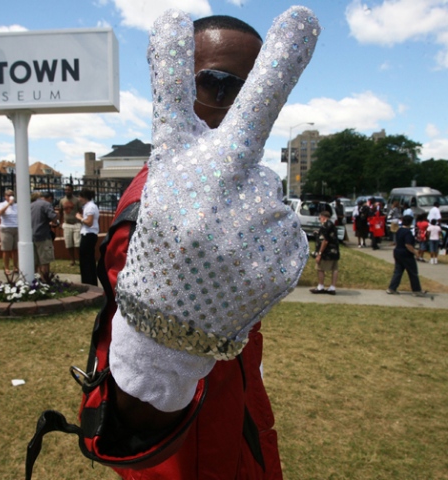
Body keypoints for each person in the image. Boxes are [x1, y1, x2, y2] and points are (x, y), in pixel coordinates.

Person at [65, 9, 319, 480]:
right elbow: (137, 405)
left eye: (252, 89)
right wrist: (163, 349)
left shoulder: (238, 199)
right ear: (178, 84)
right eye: (216, 82)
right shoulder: (157, 205)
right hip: (191, 453)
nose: (235, 106)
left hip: (234, 423)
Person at [386, 215, 427, 296]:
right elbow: (408, 244)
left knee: (398, 271)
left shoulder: (399, 230)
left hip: (397, 252)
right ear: (410, 222)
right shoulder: (408, 232)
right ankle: (416, 290)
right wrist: (416, 253)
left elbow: (397, 241)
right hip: (406, 254)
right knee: (413, 272)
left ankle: (392, 288)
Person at [310, 211, 340, 295]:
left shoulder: (324, 226)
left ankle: (320, 286)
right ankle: (332, 287)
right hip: (335, 251)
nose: (320, 220)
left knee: (320, 268)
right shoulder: (332, 225)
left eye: (320, 218)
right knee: (334, 269)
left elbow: (325, 241)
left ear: (323, 217)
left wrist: (319, 254)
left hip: (326, 253)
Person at [30, 191, 58, 281]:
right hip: (43, 236)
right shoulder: (46, 204)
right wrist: (56, 220)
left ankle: (35, 281)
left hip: (31, 237)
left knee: (34, 262)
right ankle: (45, 281)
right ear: (49, 198)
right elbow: (53, 217)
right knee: (45, 261)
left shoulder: (30, 205)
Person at [75, 188, 99, 286]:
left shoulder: (90, 207)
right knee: (89, 260)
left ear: (84, 197)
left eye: (80, 197)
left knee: (85, 260)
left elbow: (89, 222)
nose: (78, 199)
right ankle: (91, 282)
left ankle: (87, 282)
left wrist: (80, 218)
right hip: (90, 234)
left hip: (88, 234)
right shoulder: (90, 206)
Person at [0, 189, 19, 275]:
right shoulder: (2, 204)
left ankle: (15, 266)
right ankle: (6, 268)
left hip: (16, 228)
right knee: (6, 250)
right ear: (5, 196)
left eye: (12, 195)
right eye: (8, 195)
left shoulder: (17, 206)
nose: (10, 196)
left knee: (15, 250)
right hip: (6, 229)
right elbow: (0, 212)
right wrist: (9, 204)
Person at [60, 184, 81, 266]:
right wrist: (60, 222)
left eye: (69, 190)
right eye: (66, 190)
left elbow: (80, 211)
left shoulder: (77, 200)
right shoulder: (62, 200)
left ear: (72, 190)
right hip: (67, 224)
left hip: (76, 224)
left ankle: (80, 260)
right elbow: (61, 212)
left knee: (77, 243)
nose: (67, 191)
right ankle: (73, 260)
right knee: (69, 244)